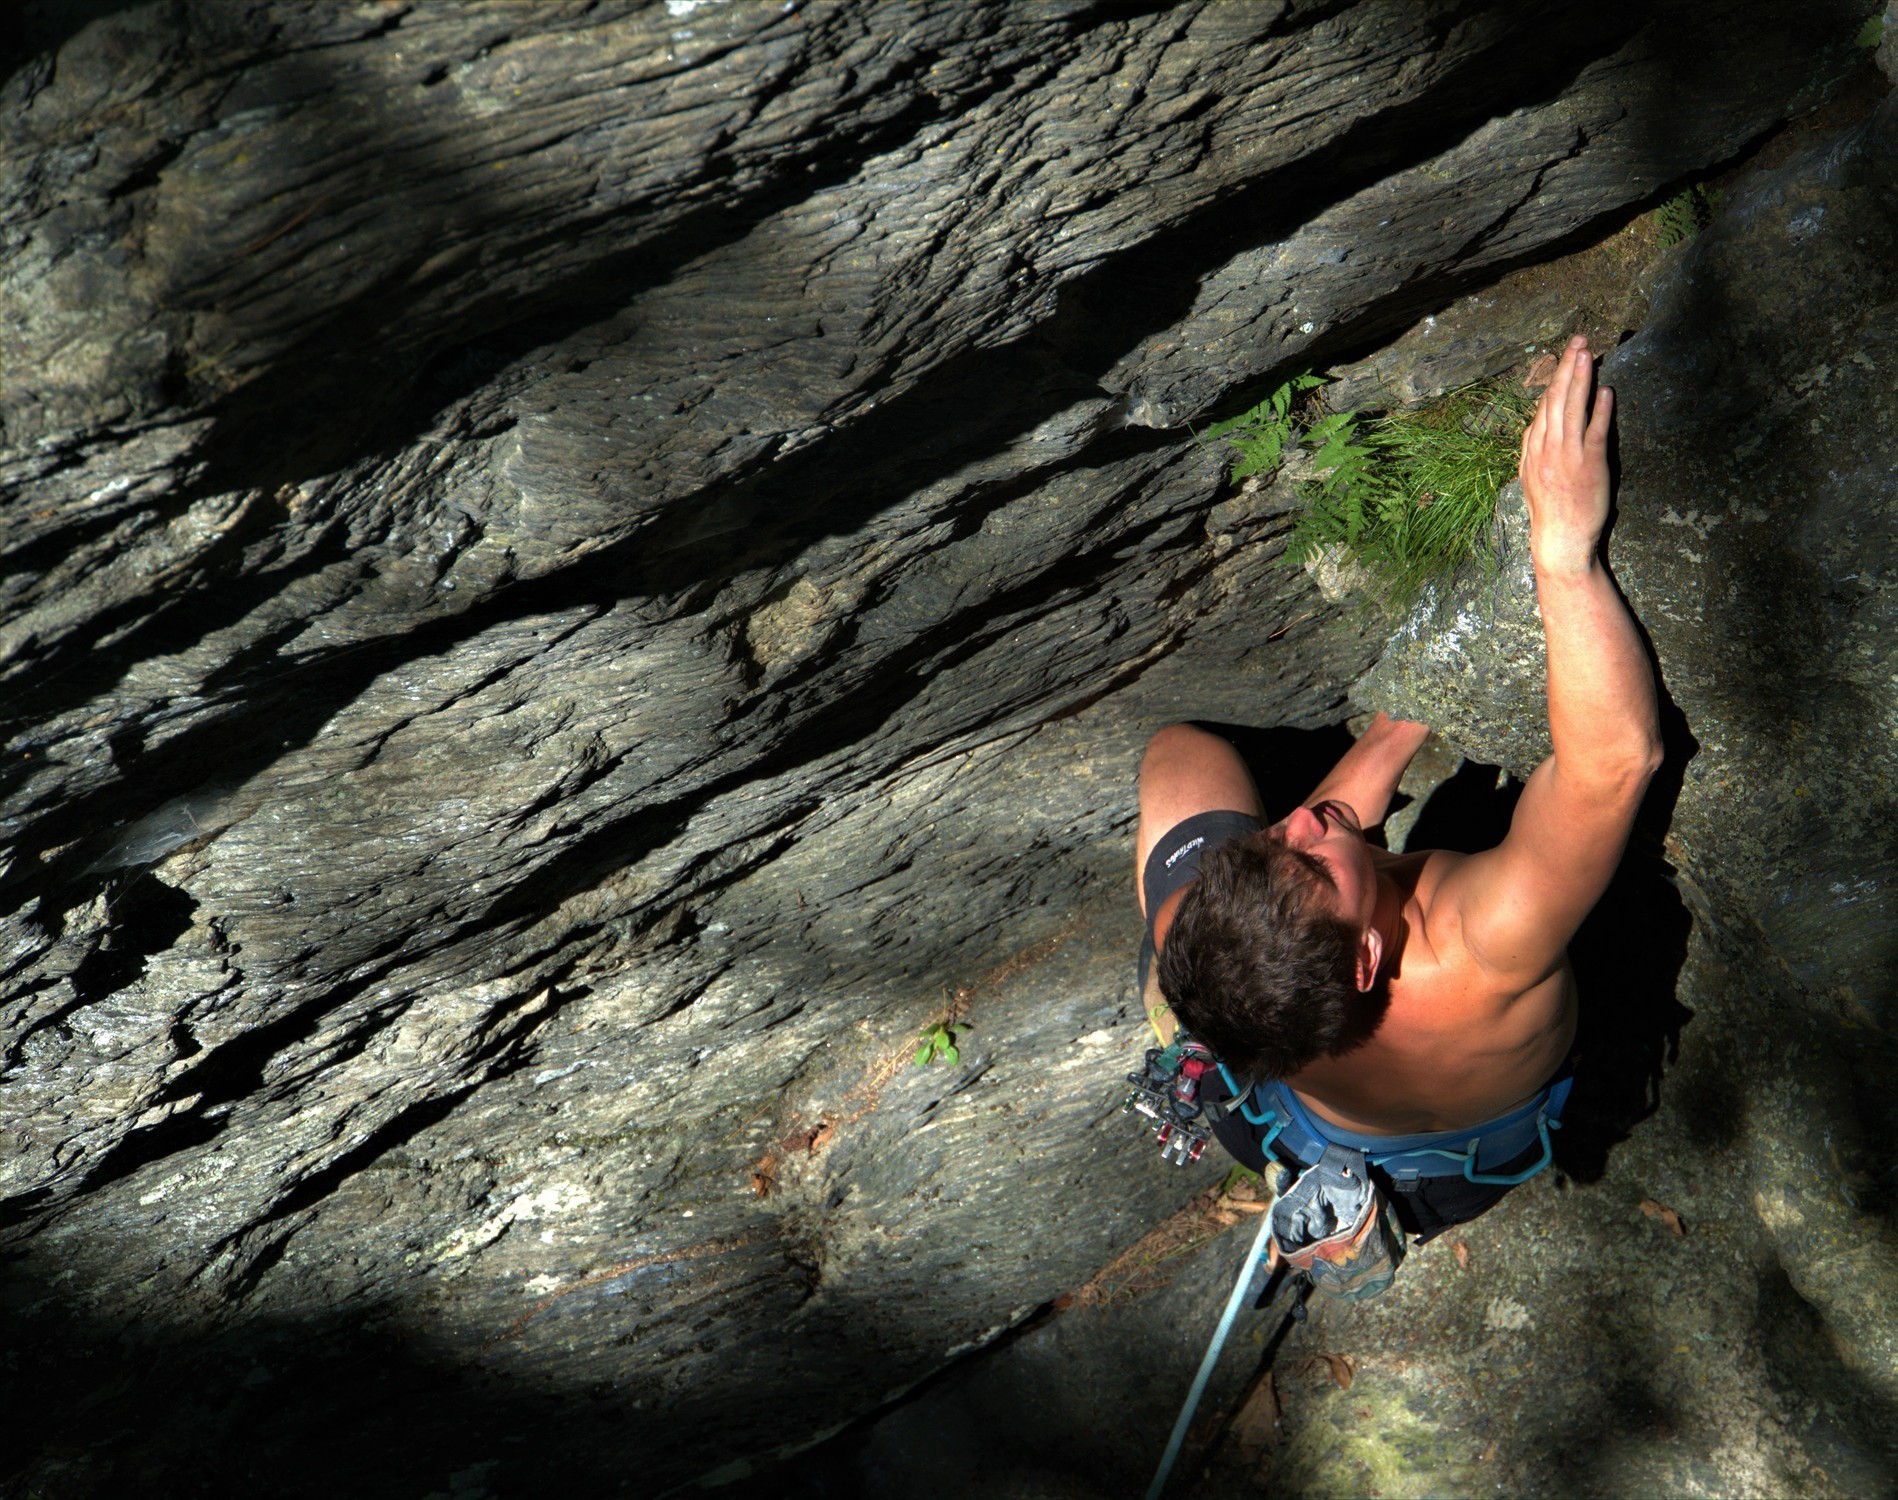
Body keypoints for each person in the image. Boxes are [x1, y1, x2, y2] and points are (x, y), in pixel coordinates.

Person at [1133, 337, 1662, 1241]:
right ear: (1366, 962)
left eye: (1272, 843)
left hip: (1291, 1126)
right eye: (1314, 859)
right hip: (1461, 1166)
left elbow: (1219, 804)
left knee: (1180, 762)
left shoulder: (1194, 932)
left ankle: (1378, 753)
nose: (1298, 819)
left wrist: (1400, 721)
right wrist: (1562, 554)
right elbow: (1615, 764)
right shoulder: (1483, 942)